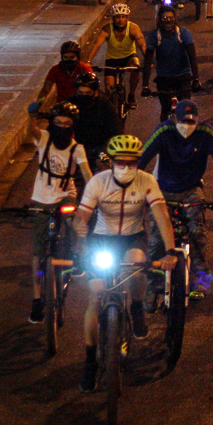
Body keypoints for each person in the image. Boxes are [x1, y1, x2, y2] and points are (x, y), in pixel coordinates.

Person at [72, 135, 178, 393]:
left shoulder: (147, 181)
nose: (126, 167)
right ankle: (89, 362)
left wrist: (170, 251)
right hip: (102, 239)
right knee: (95, 296)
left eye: (132, 163)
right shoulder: (98, 182)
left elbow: (161, 215)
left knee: (138, 266)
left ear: (138, 162)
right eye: (121, 162)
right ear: (112, 162)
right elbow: (82, 216)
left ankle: (137, 307)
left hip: (133, 237)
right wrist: (81, 236)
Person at [140, 100, 213, 299]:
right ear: (174, 118)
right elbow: (143, 158)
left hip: (191, 190)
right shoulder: (163, 131)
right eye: (183, 121)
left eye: (192, 122)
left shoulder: (206, 134)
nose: (187, 126)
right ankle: (152, 285)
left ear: (198, 120)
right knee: (156, 239)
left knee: (197, 233)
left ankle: (201, 281)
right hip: (163, 191)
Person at [26, 101, 92, 324]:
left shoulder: (77, 148)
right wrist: (31, 116)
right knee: (37, 252)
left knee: (76, 223)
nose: (62, 127)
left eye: (67, 124)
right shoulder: (44, 138)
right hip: (41, 200)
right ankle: (37, 299)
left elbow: (87, 173)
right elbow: (31, 130)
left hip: (66, 196)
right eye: (58, 123)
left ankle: (77, 255)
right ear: (52, 124)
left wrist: (95, 195)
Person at [142, 4, 202, 122]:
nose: (168, 21)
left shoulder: (184, 34)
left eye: (171, 18)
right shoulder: (155, 36)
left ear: (175, 19)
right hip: (164, 77)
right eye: (165, 18)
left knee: (186, 108)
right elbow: (148, 61)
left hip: (182, 75)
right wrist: (145, 85)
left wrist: (195, 79)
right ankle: (164, 131)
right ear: (160, 20)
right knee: (165, 109)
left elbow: (192, 57)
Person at [85, 4, 145, 109]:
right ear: (113, 18)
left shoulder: (133, 28)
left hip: (129, 57)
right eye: (117, 17)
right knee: (108, 89)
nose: (120, 20)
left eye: (123, 17)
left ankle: (131, 95)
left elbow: (142, 45)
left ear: (127, 18)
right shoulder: (107, 29)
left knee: (136, 66)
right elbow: (97, 45)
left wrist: (148, 60)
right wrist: (88, 62)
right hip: (112, 59)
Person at [67, 72, 122, 169]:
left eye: (88, 93)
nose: (84, 96)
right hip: (78, 144)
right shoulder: (71, 104)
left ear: (96, 93)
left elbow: (116, 129)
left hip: (100, 145)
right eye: (81, 93)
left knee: (103, 170)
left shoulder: (105, 105)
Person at [30, 41, 94, 109]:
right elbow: (46, 90)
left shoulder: (84, 69)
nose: (69, 60)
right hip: (62, 107)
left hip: (81, 105)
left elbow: (92, 89)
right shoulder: (55, 70)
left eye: (72, 57)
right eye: (66, 57)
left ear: (77, 57)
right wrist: (38, 104)